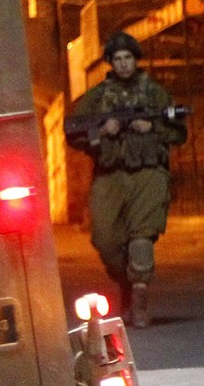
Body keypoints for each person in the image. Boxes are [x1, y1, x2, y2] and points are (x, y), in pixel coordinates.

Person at [69, 31, 188, 327]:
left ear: (136, 60)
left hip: (148, 174)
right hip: (110, 176)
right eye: (118, 59)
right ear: (111, 62)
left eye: (128, 58)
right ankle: (125, 282)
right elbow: (73, 132)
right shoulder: (96, 97)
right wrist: (102, 132)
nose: (123, 64)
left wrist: (153, 129)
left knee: (141, 236)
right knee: (106, 241)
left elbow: (179, 132)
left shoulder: (155, 94)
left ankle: (139, 300)